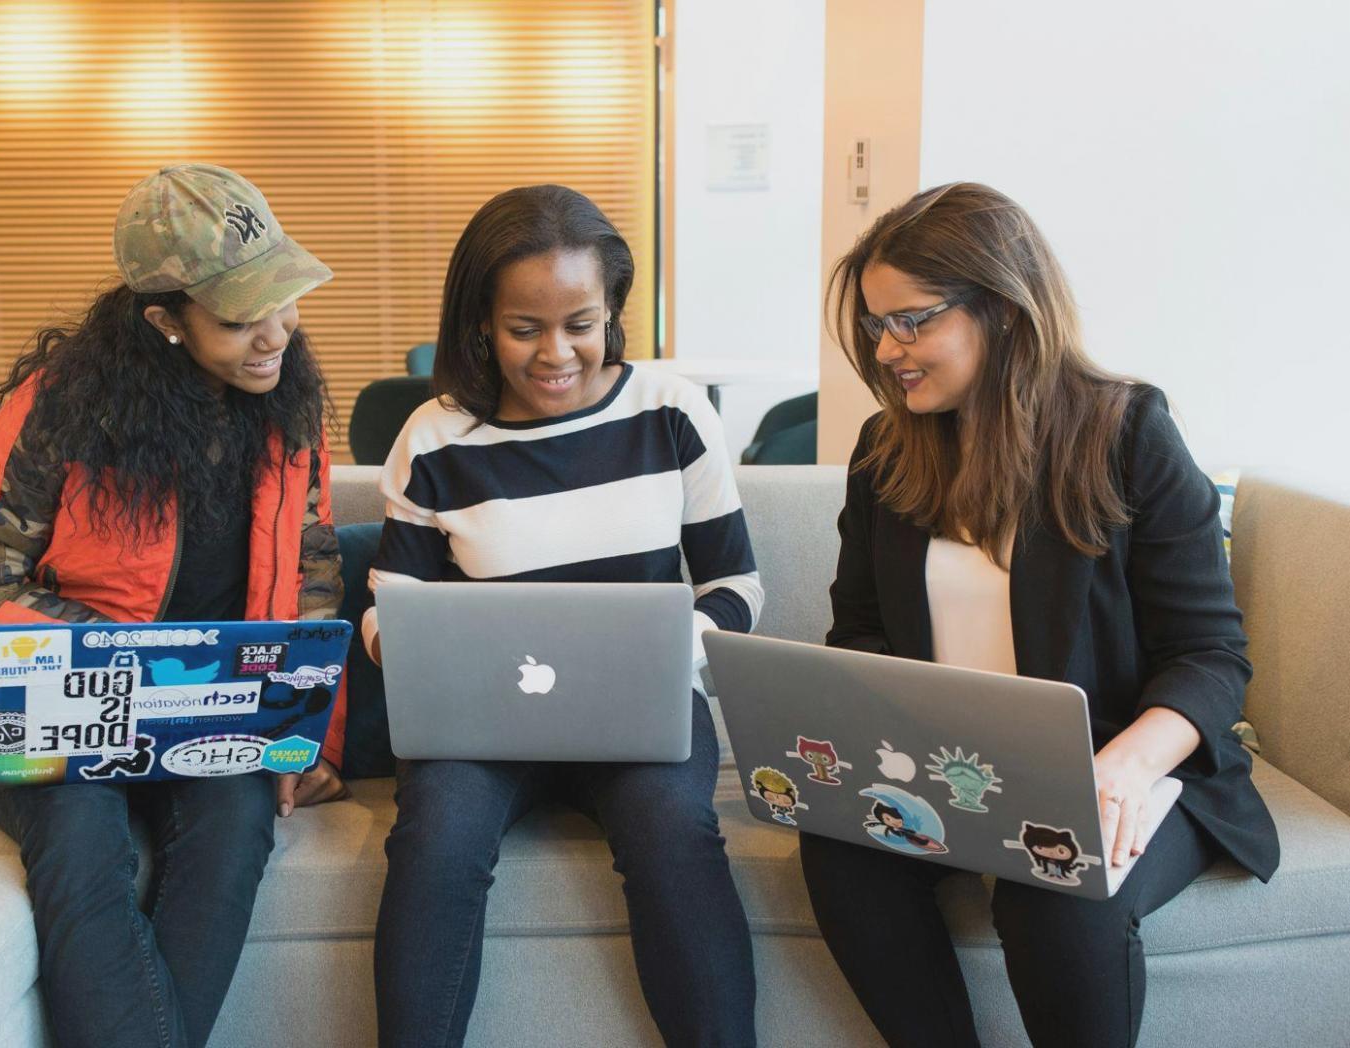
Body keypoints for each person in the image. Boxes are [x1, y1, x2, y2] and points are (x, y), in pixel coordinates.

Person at [804, 182, 1279, 1048]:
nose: (888, 350)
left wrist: (1124, 769)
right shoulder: (884, 451)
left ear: (1002, 308)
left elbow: (1210, 655)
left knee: (1048, 880)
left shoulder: (1127, 432)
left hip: (1121, 773)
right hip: (948, 770)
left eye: (911, 320)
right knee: (840, 853)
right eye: (876, 326)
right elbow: (859, 635)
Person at [0, 164, 347, 1048]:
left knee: (235, 830)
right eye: (240, 318)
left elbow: (312, 572)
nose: (275, 333)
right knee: (83, 846)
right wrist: (119, 659)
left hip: (213, 708)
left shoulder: (292, 408)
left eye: (283, 299)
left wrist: (307, 737)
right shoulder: (60, 409)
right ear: (164, 321)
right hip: (59, 708)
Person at [363, 184, 762, 1047]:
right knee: (434, 840)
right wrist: (399, 638)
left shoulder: (670, 411)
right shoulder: (435, 439)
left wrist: (670, 649)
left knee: (674, 833)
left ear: (612, 312)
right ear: (479, 321)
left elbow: (735, 585)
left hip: (640, 714)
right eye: (523, 329)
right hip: (479, 723)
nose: (556, 354)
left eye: (580, 323)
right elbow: (391, 598)